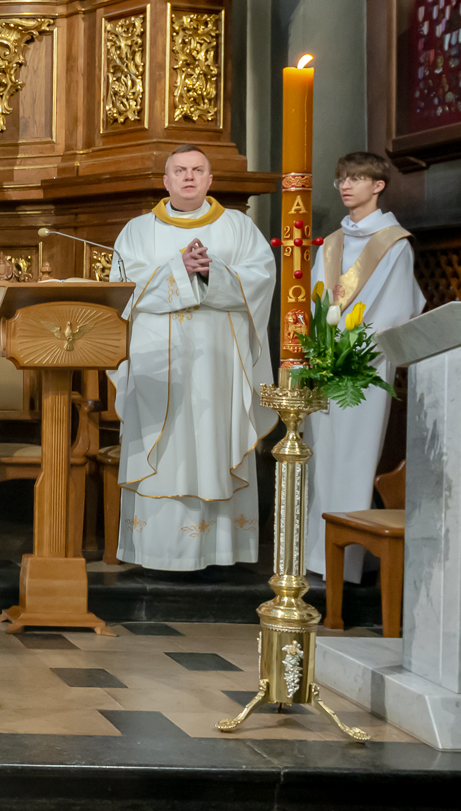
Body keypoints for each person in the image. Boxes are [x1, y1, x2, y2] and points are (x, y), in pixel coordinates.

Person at [113, 144, 276, 572]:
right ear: (166, 181)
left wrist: (211, 272)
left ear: (210, 179)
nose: (189, 177)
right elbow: (122, 289)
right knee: (166, 446)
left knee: (213, 439)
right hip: (157, 362)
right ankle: (157, 551)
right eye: (180, 170)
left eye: (198, 170)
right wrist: (178, 269)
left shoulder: (239, 226)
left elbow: (261, 277)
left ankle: (219, 550)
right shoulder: (137, 230)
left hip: (217, 363)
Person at [306, 152, 425, 583]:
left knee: (353, 459)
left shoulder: (394, 244)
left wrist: (352, 348)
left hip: (365, 367)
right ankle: (315, 557)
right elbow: (318, 300)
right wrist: (321, 348)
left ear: (378, 186)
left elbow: (395, 311)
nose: (345, 185)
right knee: (320, 459)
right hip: (327, 364)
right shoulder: (333, 241)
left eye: (356, 178)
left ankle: (347, 565)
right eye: (341, 178)